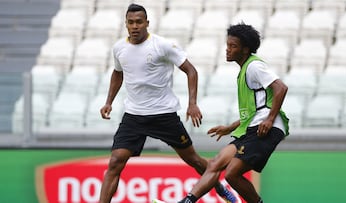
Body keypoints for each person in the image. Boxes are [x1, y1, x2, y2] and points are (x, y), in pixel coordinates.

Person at [99, 3, 237, 203]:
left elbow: (191, 71)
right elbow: (118, 73)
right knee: (115, 161)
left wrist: (192, 103)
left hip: (163, 114)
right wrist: (109, 101)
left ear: (147, 23)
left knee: (193, 160)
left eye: (139, 22)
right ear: (126, 24)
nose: (135, 26)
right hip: (134, 116)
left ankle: (222, 190)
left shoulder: (162, 45)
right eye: (131, 22)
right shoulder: (119, 48)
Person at [153, 22, 290, 203]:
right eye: (227, 45)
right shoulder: (245, 70)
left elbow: (281, 88)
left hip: (266, 128)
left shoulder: (254, 67)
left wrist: (270, 119)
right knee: (216, 163)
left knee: (232, 173)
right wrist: (230, 127)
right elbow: (254, 110)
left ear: (245, 49)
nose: (227, 50)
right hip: (253, 127)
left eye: (233, 46)